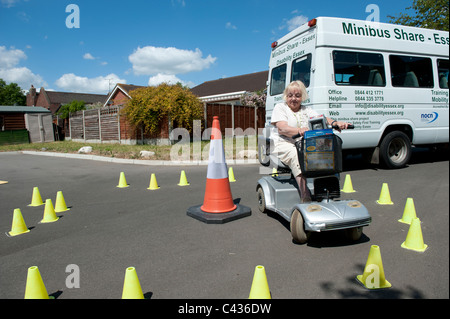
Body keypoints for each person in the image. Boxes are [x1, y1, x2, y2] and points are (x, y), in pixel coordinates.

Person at [271, 80, 351, 203]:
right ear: (285, 96)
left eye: (297, 96)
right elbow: (282, 128)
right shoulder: (280, 107)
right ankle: (305, 195)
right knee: (296, 154)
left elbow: (321, 118)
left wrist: (336, 123)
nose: (293, 99)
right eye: (290, 95)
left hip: (303, 142)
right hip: (284, 143)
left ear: (302, 97)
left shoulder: (306, 110)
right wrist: (299, 130)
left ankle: (326, 190)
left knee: (325, 151)